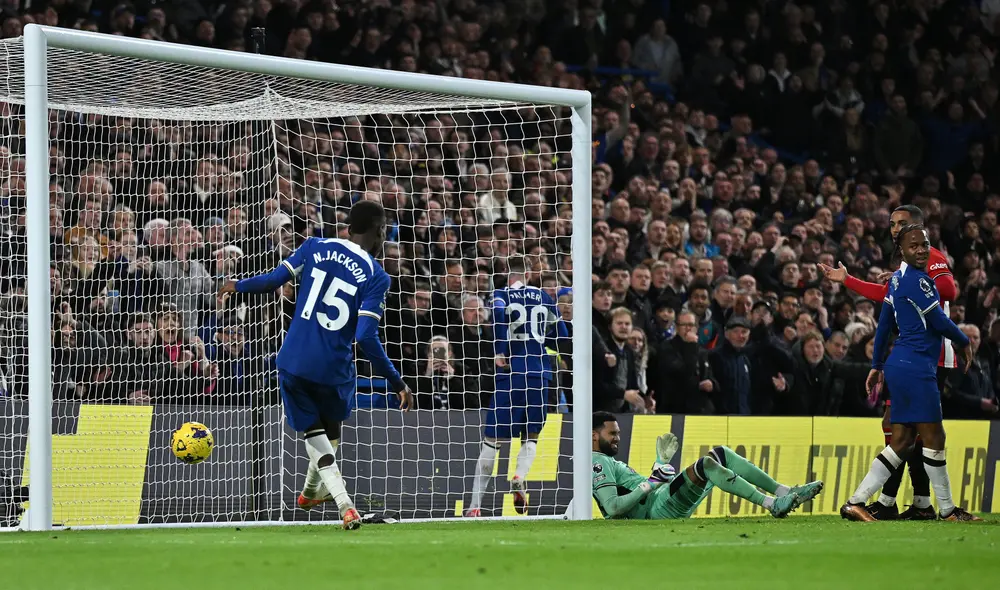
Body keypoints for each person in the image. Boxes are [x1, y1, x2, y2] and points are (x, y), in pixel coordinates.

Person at [218, 200, 413, 531]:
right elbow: (366, 337)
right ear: (380, 232)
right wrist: (397, 382)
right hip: (334, 369)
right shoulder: (377, 276)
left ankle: (311, 493)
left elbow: (272, 280)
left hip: (293, 360)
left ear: (349, 227)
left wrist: (235, 285)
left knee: (316, 432)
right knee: (330, 429)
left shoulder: (314, 246)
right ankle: (344, 503)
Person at [819, 204, 956, 520]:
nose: (895, 229)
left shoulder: (928, 257)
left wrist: (907, 280)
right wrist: (851, 280)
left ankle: (889, 502)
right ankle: (914, 504)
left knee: (906, 434)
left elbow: (949, 289)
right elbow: (886, 303)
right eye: (893, 224)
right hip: (912, 358)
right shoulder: (908, 267)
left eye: (903, 224)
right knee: (910, 435)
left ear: (920, 229)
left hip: (926, 356)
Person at [840, 224, 980, 522]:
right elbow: (939, 321)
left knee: (902, 442)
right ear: (901, 250)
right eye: (914, 245)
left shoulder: (896, 282)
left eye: (925, 244)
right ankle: (947, 510)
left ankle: (855, 502)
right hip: (916, 367)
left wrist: (878, 366)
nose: (921, 249)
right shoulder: (920, 281)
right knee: (935, 437)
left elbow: (883, 328)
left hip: (898, 365)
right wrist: (965, 341)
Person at [466, 256, 567, 518]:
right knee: (531, 436)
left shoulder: (500, 295)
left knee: (492, 442)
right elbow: (563, 335)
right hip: (540, 374)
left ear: (506, 274)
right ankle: (519, 476)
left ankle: (475, 505)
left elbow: (498, 316)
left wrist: (500, 350)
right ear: (529, 275)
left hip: (511, 373)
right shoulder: (545, 298)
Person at [591, 412, 823, 520]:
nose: (617, 438)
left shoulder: (606, 460)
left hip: (660, 501)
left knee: (722, 454)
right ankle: (773, 504)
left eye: (619, 433)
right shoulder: (596, 461)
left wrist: (659, 465)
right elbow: (613, 508)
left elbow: (638, 489)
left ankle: (783, 491)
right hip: (657, 510)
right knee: (706, 465)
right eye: (612, 433)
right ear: (593, 435)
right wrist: (651, 483)